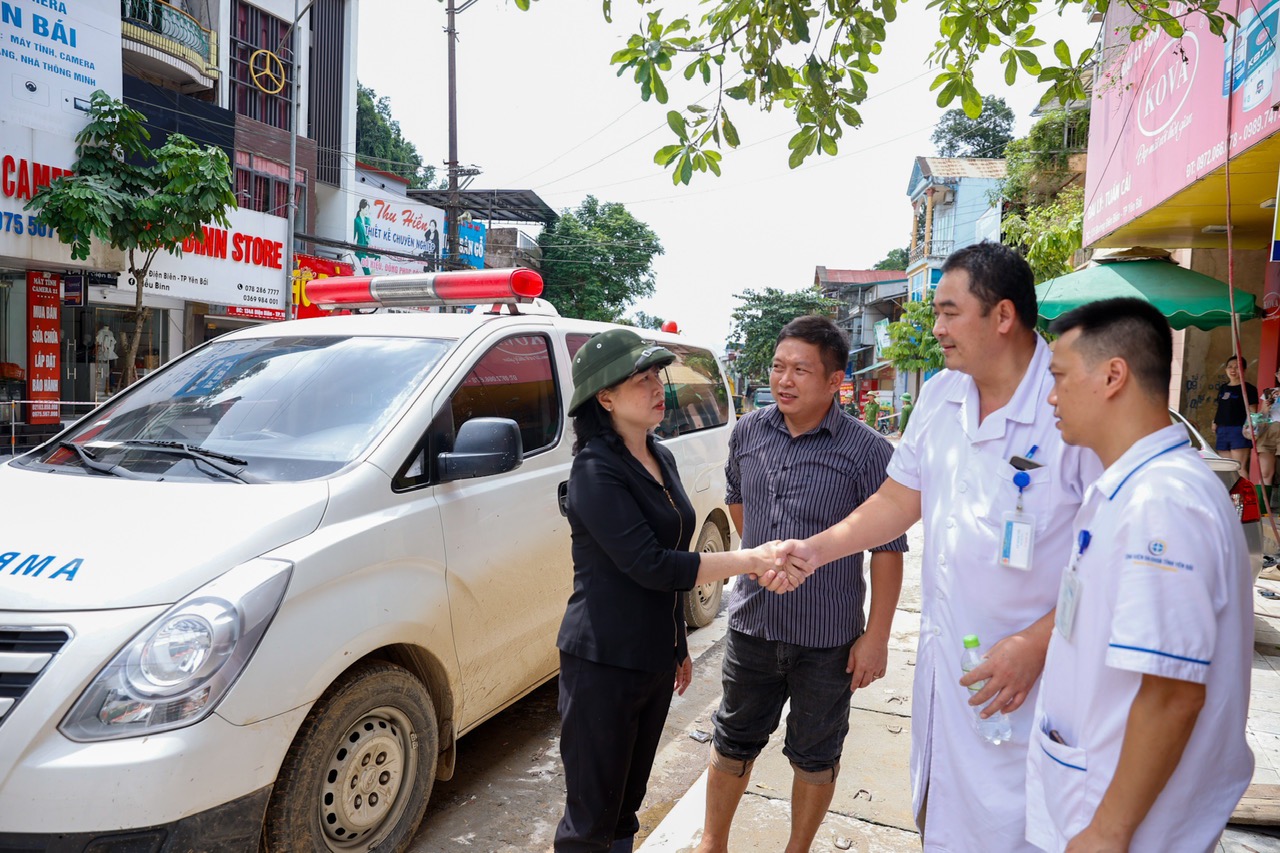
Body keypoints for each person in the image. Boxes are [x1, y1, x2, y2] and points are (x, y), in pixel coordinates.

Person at [771, 241, 1100, 851]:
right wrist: (816, 550)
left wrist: (1038, 641)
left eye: (949, 312)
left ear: (1002, 316)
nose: (936, 327)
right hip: (952, 674)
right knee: (944, 821)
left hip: (1038, 683)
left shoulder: (1073, 405)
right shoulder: (941, 396)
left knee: (1031, 831)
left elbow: (1112, 564)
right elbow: (898, 501)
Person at [1025, 297, 1252, 852]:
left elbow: (1172, 693)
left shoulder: (1162, 502)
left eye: (1058, 377)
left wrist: (1109, 830)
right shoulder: (1131, 489)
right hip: (1096, 800)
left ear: (1112, 375)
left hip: (1132, 829)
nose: (1051, 397)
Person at [554, 328, 786, 853]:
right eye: (640, 380)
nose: (658, 387)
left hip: (652, 662)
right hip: (603, 665)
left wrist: (677, 645)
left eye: (657, 376)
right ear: (605, 397)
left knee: (626, 803)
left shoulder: (660, 455)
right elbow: (653, 566)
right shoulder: (594, 470)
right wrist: (750, 560)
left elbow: (670, 562)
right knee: (591, 814)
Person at [695, 317, 908, 853]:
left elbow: (888, 551)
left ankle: (798, 849)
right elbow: (739, 503)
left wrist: (876, 636)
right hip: (754, 624)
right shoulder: (749, 431)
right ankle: (712, 842)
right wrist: (759, 563)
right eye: (778, 367)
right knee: (733, 737)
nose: (784, 380)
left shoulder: (867, 450)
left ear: (835, 381)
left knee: (815, 752)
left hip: (829, 637)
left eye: (800, 370)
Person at [1212, 354, 1258, 474]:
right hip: (1222, 429)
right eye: (1230, 367)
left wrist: (1249, 428)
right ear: (1226, 369)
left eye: (1237, 367)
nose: (1233, 370)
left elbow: (1252, 411)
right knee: (1226, 469)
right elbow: (1220, 407)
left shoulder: (1249, 389)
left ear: (1244, 370)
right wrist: (1215, 422)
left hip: (1239, 430)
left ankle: (1244, 493)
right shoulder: (1223, 388)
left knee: (1239, 467)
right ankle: (1228, 493)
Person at [1256, 368, 1280, 509]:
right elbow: (1261, 416)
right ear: (1276, 375)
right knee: (1265, 471)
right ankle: (1262, 508)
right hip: (1269, 431)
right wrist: (1265, 407)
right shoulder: (1269, 392)